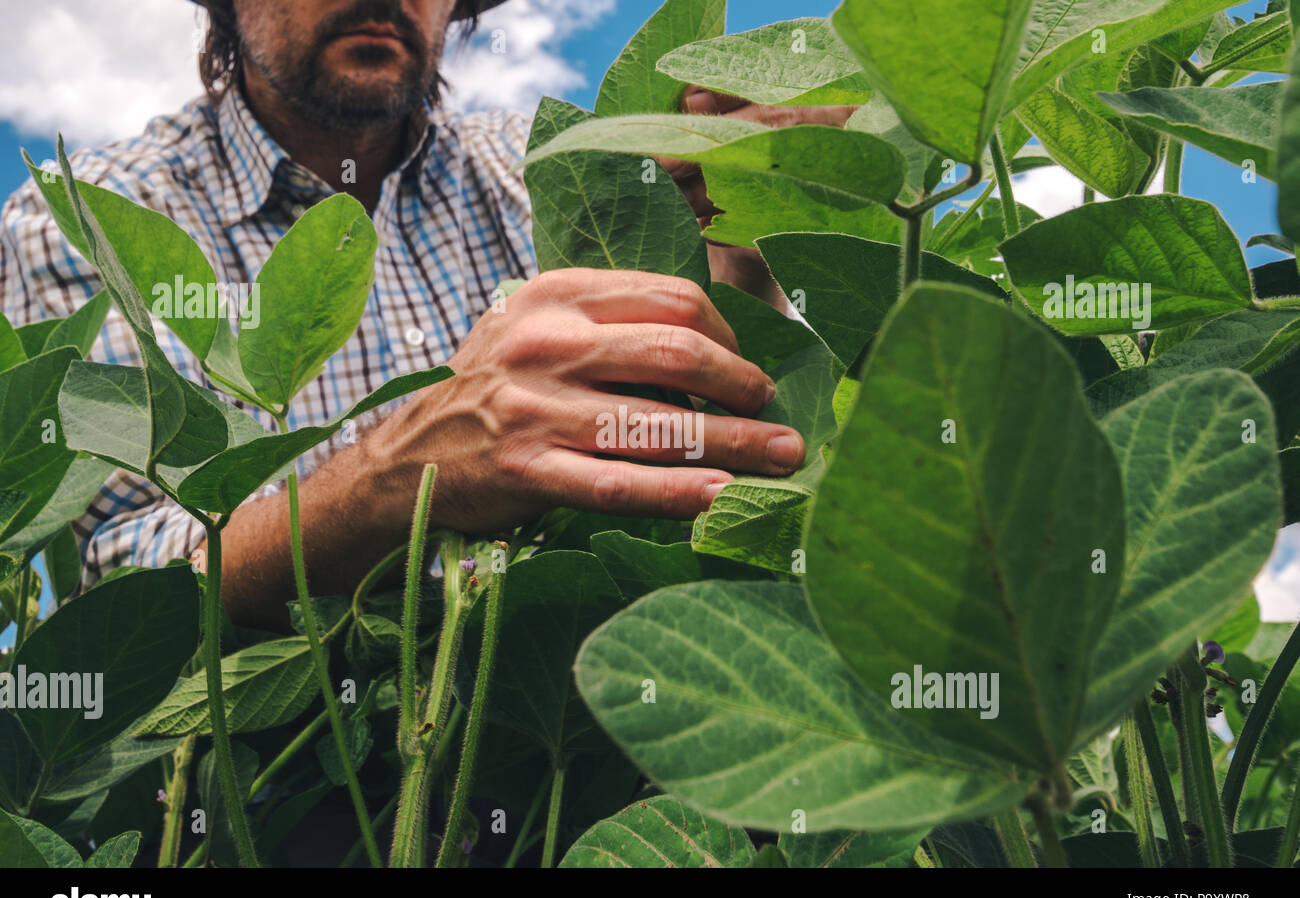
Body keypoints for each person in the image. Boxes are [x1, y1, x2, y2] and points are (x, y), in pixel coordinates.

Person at [0, 0, 851, 630]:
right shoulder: (92, 215)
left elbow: (682, 434)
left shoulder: (557, 169)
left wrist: (745, 228)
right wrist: (398, 475)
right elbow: (118, 589)